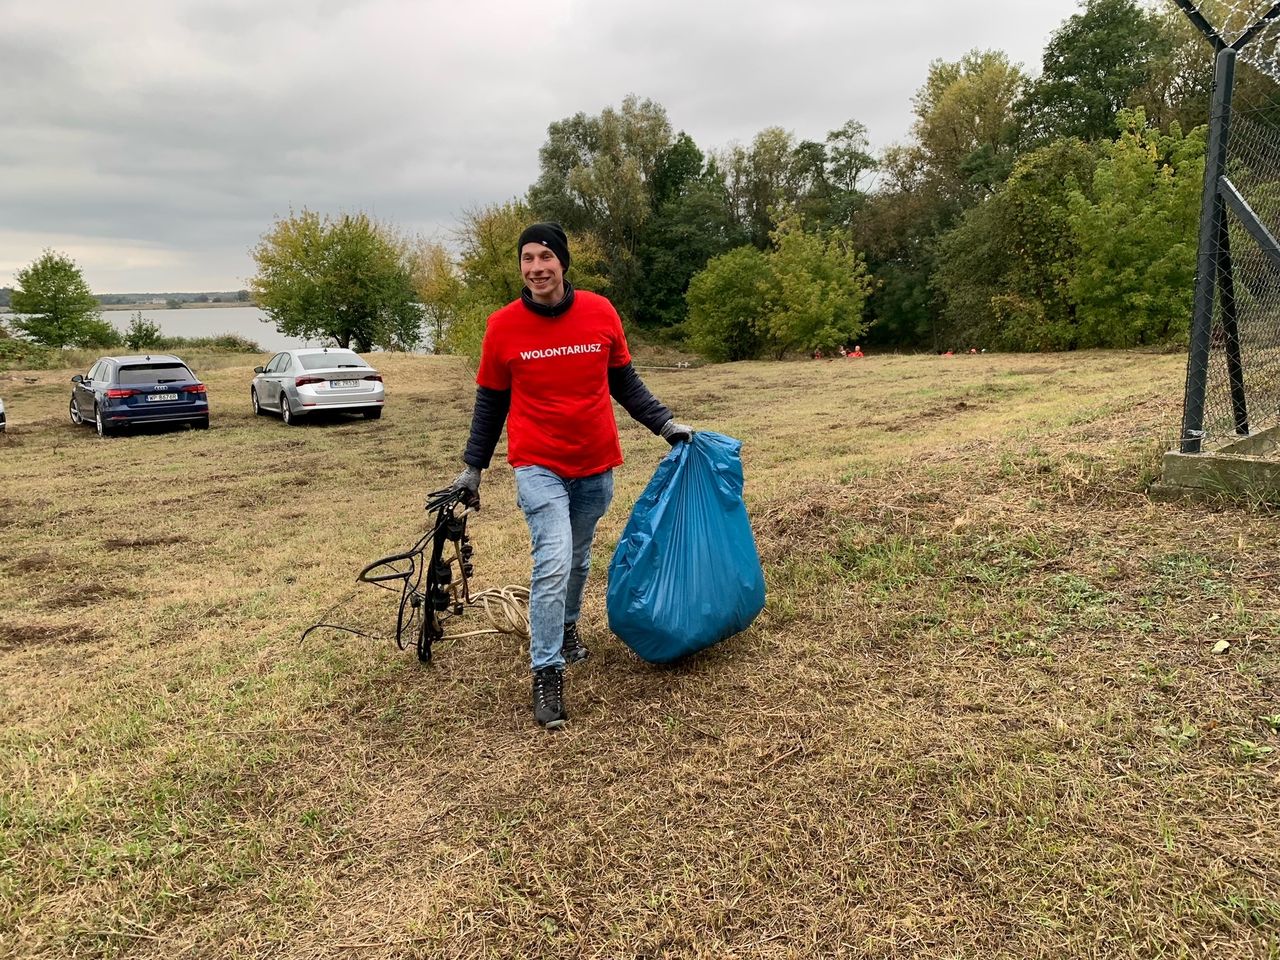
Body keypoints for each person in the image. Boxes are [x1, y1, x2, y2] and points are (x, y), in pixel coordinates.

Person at [448, 222, 693, 730]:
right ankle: (546, 670)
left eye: (545, 257)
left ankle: (566, 627)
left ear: (562, 262)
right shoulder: (503, 327)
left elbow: (623, 381)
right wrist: (473, 468)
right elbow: (491, 402)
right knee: (553, 561)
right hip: (538, 463)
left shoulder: (600, 312)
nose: (536, 268)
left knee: (578, 558)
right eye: (527, 259)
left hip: (595, 462)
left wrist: (665, 424)